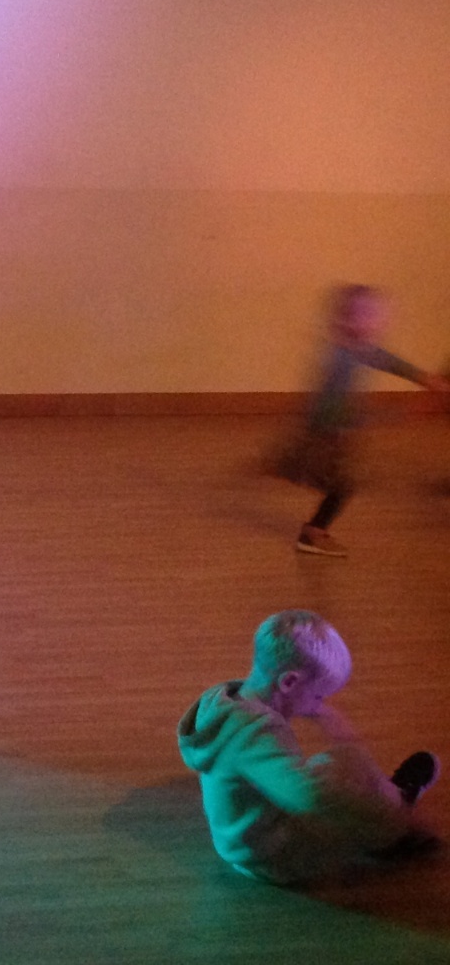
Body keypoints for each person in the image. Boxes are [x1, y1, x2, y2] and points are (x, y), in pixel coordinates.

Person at [178, 609, 439, 886]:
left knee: (337, 769)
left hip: (243, 840)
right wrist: (349, 746)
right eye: (318, 695)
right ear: (289, 682)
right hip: (274, 855)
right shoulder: (255, 732)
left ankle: (388, 803)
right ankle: (395, 827)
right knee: (347, 767)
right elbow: (309, 796)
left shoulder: (227, 703)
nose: (320, 705)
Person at [268, 284, 448, 557]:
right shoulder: (340, 361)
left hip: (331, 434)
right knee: (342, 485)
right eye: (367, 314)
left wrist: (424, 378)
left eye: (378, 313)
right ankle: (311, 533)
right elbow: (337, 412)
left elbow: (385, 359)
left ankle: (309, 519)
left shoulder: (356, 349)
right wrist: (396, 414)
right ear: (344, 320)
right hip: (325, 436)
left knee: (340, 483)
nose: (377, 319)